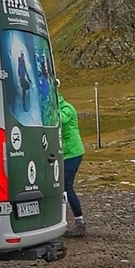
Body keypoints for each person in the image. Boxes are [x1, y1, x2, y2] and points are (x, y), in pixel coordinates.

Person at [58, 91, 86, 237]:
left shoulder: (67, 108)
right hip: (63, 153)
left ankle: (79, 222)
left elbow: (60, 119)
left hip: (72, 153)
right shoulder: (62, 106)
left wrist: (48, 108)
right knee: (59, 186)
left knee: (66, 186)